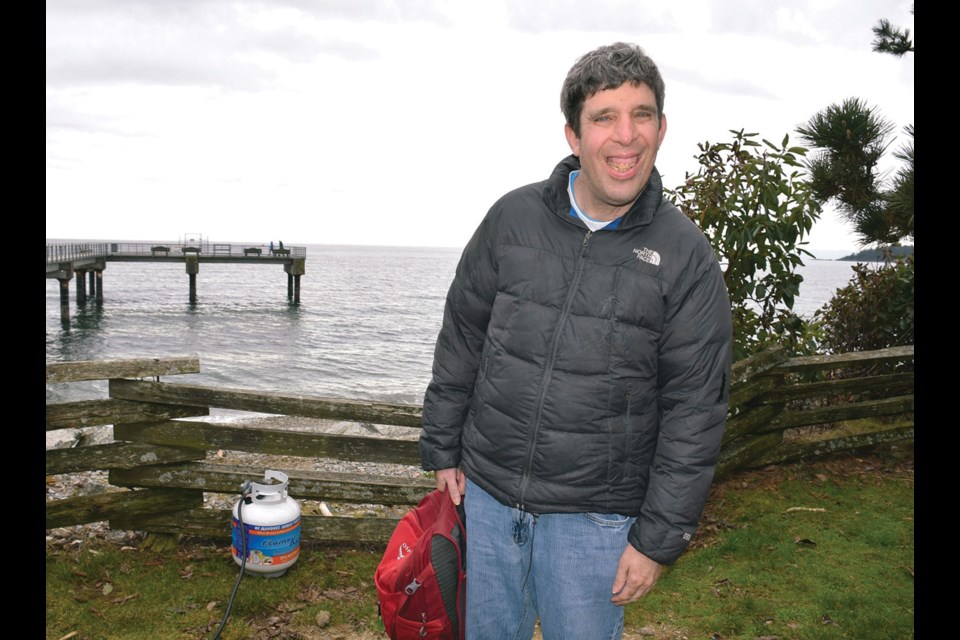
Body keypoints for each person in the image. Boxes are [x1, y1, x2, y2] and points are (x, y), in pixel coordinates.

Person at [419, 42, 733, 640]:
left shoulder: (686, 256)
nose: (627, 136)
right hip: (486, 498)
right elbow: (462, 334)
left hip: (597, 522)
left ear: (662, 129)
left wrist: (657, 540)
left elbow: (695, 410)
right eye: (604, 117)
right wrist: (443, 446)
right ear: (572, 134)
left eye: (642, 115)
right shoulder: (511, 219)